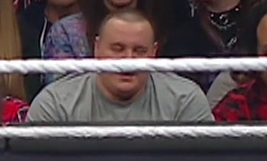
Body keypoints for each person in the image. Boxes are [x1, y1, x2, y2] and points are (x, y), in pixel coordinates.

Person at [28, 11, 213, 123]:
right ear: (97, 48)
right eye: (118, 49)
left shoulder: (185, 100)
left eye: (139, 50)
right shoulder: (55, 104)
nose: (128, 59)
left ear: (153, 53)